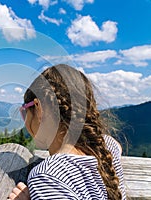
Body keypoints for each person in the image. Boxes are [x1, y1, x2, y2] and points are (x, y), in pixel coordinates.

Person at [8, 64, 126, 200]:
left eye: (24, 112)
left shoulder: (47, 177)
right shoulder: (106, 147)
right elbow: (117, 146)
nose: (25, 121)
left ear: (38, 108)